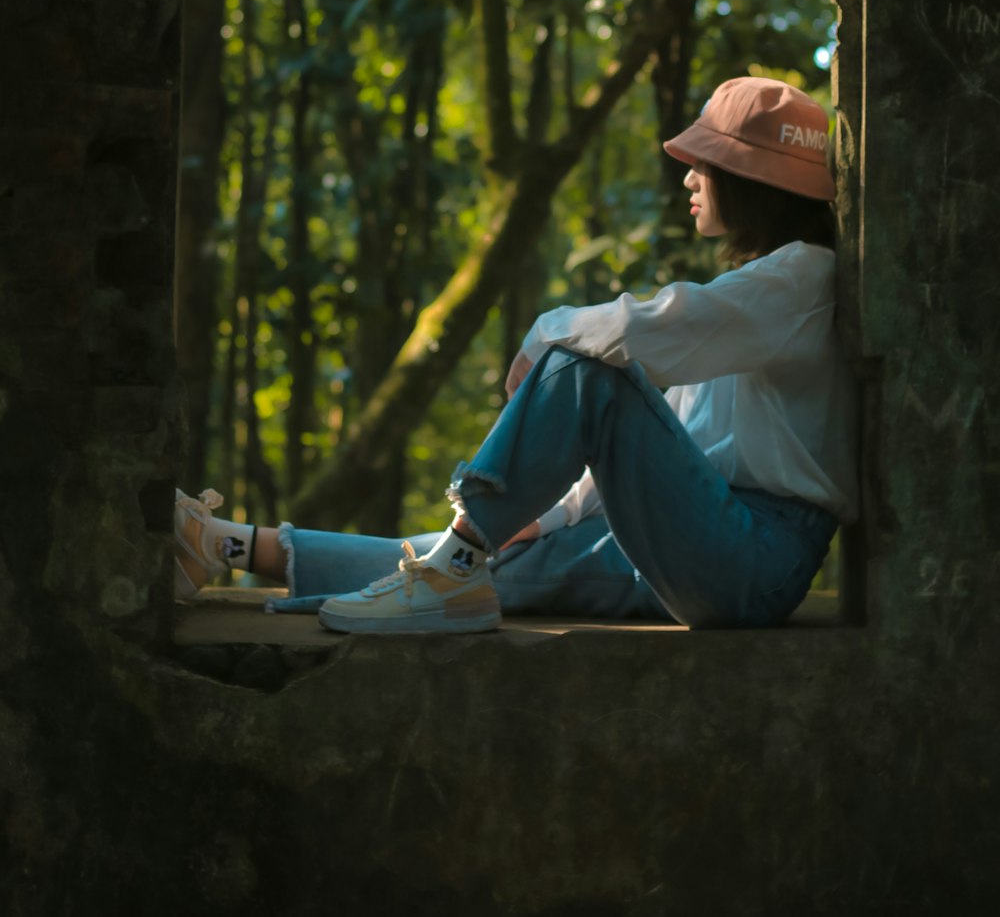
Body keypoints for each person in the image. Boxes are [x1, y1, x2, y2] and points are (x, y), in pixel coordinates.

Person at [175, 75, 858, 633]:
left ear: (748, 177)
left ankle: (457, 560)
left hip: (753, 555)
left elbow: (639, 338)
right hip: (697, 533)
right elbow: (661, 439)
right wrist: (545, 515)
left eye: (705, 164)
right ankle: (222, 544)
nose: (688, 180)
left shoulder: (804, 278)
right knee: (477, 561)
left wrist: (548, 329)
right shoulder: (757, 296)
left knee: (587, 363)